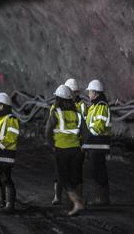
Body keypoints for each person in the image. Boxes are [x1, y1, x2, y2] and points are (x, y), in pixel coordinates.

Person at [45, 85, 87, 216]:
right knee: (74, 178)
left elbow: (48, 132)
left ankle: (77, 202)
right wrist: (79, 144)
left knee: (63, 179)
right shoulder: (77, 114)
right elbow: (85, 133)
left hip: (61, 150)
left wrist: (53, 145)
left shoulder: (56, 113)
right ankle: (72, 206)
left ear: (58, 98)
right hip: (76, 150)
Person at [82, 79, 111, 206]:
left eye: (90, 92)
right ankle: (100, 197)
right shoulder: (94, 106)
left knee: (99, 171)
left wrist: (86, 134)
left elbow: (98, 127)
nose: (88, 94)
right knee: (95, 171)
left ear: (95, 92)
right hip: (94, 145)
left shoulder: (101, 106)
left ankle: (103, 199)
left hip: (98, 144)